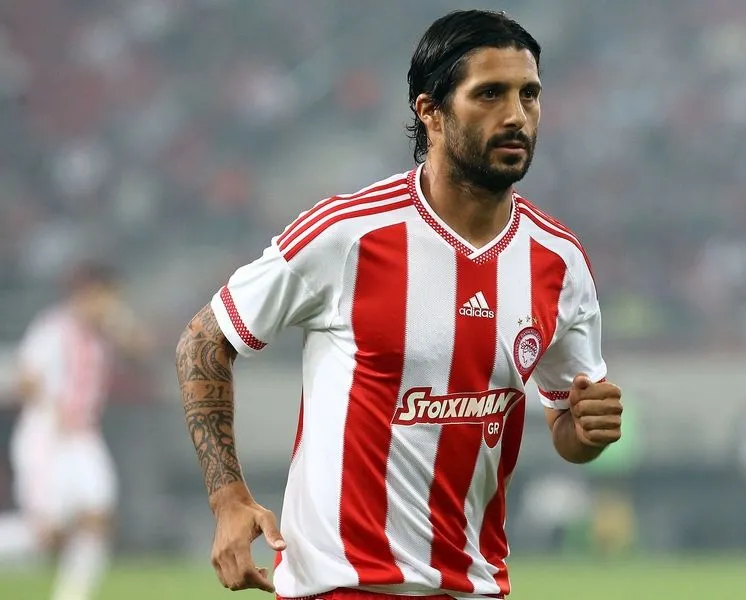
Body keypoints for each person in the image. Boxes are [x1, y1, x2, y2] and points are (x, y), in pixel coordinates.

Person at [175, 9, 623, 599]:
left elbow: (567, 423)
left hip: (474, 586)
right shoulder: (347, 234)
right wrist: (228, 498)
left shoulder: (558, 261)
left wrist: (587, 432)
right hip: (341, 586)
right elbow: (203, 341)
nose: (516, 115)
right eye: (489, 93)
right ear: (430, 111)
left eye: (529, 94)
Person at [0, 261, 150, 600]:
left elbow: (141, 349)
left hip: (83, 437)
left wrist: (120, 321)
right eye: (107, 297)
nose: (110, 305)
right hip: (47, 437)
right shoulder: (53, 328)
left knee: (98, 518)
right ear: (87, 294)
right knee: (45, 535)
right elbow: (25, 377)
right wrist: (53, 407)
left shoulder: (104, 334)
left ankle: (71, 596)